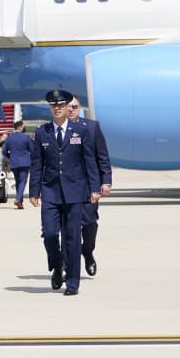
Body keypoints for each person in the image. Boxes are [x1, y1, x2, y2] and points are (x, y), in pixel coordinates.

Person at [29, 90, 100, 296]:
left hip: (75, 190)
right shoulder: (42, 132)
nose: (58, 108)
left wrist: (94, 187)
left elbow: (89, 160)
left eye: (61, 105)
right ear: (50, 108)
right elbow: (37, 163)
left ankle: (73, 282)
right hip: (50, 190)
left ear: (67, 107)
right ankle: (57, 264)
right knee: (50, 234)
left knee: (72, 236)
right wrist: (34, 190)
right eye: (54, 105)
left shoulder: (80, 131)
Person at [68, 96, 112, 276]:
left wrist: (106, 181)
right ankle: (69, 262)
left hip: (88, 186)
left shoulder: (92, 127)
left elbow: (102, 156)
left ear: (80, 108)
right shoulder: (55, 129)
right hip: (65, 186)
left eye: (75, 106)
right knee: (68, 226)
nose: (71, 110)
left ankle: (87, 252)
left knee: (90, 224)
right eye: (68, 107)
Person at [2, 120, 34, 209]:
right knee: (22, 181)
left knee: (18, 182)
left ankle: (20, 202)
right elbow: (32, 149)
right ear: (20, 127)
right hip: (24, 162)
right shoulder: (26, 137)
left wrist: (10, 156)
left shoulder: (9, 138)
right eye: (23, 126)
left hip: (14, 163)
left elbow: (4, 151)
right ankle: (18, 198)